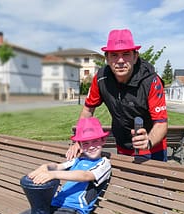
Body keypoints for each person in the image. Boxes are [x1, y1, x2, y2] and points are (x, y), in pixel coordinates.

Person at [0, 117, 111, 214]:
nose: (91, 147)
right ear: (79, 145)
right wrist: (45, 167)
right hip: (51, 205)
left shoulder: (104, 164)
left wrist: (53, 175)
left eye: (95, 141)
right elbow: (57, 166)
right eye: (85, 143)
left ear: (103, 140)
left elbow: (85, 175)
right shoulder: (77, 160)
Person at [66, 29, 168, 162]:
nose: (120, 60)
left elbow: (161, 123)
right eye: (114, 55)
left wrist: (148, 141)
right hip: (122, 146)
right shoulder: (101, 78)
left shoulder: (151, 81)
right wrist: (79, 141)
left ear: (135, 56)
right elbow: (87, 110)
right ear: (107, 58)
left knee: (155, 183)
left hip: (153, 147)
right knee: (125, 182)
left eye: (126, 54)